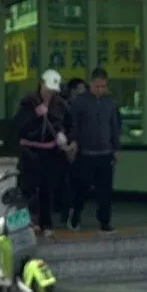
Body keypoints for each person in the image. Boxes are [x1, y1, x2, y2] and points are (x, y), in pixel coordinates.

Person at [15, 68, 73, 236]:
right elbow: (19, 124)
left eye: (53, 91)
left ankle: (46, 224)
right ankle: (29, 224)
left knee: (47, 189)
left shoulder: (60, 104)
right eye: (48, 89)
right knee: (29, 189)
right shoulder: (29, 102)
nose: (50, 93)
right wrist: (35, 115)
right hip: (30, 150)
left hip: (50, 152)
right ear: (41, 84)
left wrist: (64, 135)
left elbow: (70, 124)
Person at [69, 67, 120, 233]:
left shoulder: (110, 102)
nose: (100, 90)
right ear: (91, 84)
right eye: (97, 86)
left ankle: (105, 221)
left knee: (105, 190)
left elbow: (114, 126)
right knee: (81, 188)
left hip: (105, 152)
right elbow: (74, 125)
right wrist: (74, 142)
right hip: (86, 152)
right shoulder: (80, 101)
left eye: (103, 86)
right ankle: (75, 215)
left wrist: (116, 148)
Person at [58, 78, 88, 226]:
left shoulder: (87, 107)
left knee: (80, 183)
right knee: (67, 183)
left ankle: (75, 212)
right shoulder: (64, 107)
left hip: (82, 149)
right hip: (66, 149)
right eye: (80, 90)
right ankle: (66, 212)